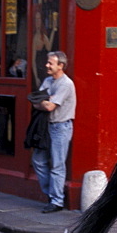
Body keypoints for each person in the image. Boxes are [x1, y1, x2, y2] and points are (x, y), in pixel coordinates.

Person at [31, 51, 76, 212]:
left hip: (60, 127)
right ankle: (51, 193)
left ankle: (56, 201)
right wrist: (43, 101)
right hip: (46, 126)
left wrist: (43, 101)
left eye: (50, 63)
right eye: (48, 62)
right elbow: (35, 100)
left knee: (57, 164)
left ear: (61, 66)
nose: (47, 66)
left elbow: (49, 106)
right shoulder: (48, 80)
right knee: (38, 160)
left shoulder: (65, 84)